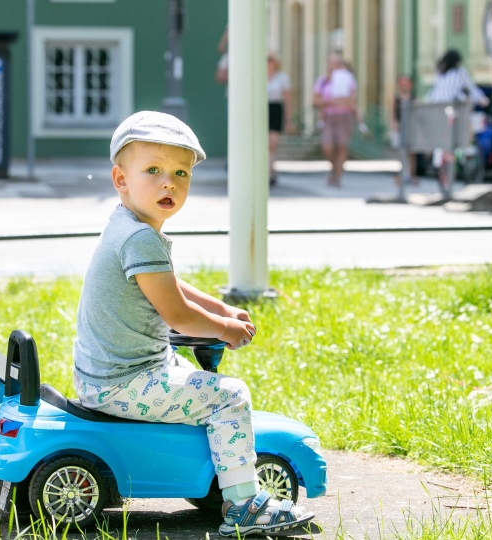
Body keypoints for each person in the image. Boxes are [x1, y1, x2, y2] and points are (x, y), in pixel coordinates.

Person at [73, 111, 316, 538]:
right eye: (153, 170)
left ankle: (214, 477)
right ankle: (243, 504)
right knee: (230, 396)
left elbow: (171, 284)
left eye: (180, 173)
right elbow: (178, 315)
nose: (169, 182)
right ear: (120, 178)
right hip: (123, 381)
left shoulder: (126, 224)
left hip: (113, 371)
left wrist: (221, 308)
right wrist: (226, 330)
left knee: (198, 381)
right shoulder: (140, 237)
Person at [425, 49, 488, 197]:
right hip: (450, 111)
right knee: (465, 126)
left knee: (445, 138)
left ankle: (446, 158)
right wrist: (483, 100)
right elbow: (472, 89)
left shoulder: (440, 73)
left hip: (436, 111)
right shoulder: (460, 72)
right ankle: (465, 150)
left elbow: (434, 93)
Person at [313, 53, 357, 187]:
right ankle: (333, 168)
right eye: (331, 63)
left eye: (336, 63)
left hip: (344, 117)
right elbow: (315, 100)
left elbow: (351, 101)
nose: (334, 66)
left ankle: (338, 175)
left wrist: (328, 101)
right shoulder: (323, 81)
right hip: (328, 117)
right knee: (328, 147)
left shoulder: (348, 79)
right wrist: (334, 101)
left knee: (342, 146)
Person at [391, 74, 418, 201]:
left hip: (411, 128)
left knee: (411, 153)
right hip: (400, 128)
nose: (404, 85)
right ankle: (402, 175)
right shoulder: (396, 99)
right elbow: (392, 115)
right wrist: (394, 124)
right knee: (401, 153)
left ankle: (410, 175)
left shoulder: (414, 98)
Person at [266, 54, 292, 186]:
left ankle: (270, 170)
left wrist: (288, 119)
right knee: (264, 142)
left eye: (270, 60)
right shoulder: (259, 76)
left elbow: (287, 98)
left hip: (276, 109)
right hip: (263, 109)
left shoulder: (282, 77)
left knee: (273, 142)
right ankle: (268, 170)